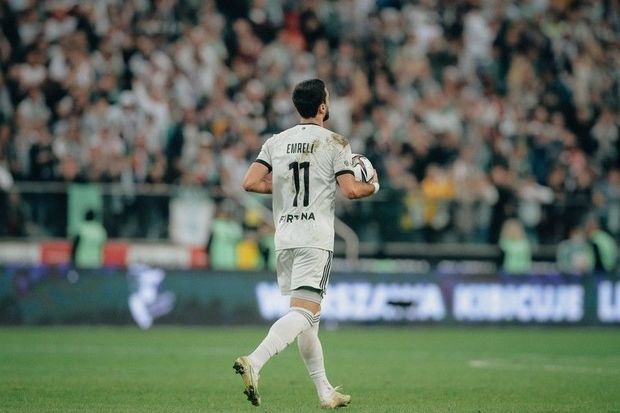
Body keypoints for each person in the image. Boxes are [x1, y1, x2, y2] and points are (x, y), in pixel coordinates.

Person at [234, 79, 379, 408]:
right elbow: (351, 190)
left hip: (285, 237)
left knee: (309, 320)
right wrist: (373, 185)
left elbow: (250, 182)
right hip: (314, 238)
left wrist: (284, 186)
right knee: (304, 313)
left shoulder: (276, 141)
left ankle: (325, 391)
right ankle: (255, 361)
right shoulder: (336, 142)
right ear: (323, 107)